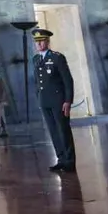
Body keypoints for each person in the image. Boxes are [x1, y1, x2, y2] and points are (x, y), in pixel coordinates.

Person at [32, 28, 76, 172]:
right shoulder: (36, 59)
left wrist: (68, 101)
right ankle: (61, 158)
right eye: (37, 42)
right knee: (53, 131)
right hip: (45, 101)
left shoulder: (57, 57)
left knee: (63, 130)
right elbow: (37, 81)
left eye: (41, 41)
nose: (39, 44)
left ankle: (69, 161)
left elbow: (67, 80)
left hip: (59, 100)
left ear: (47, 41)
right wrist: (38, 96)